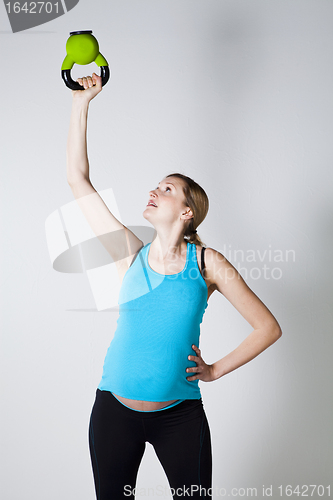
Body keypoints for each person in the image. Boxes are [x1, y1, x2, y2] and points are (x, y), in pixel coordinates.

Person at [66, 73, 282, 499]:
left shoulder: (208, 264)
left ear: (187, 211)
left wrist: (215, 369)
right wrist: (81, 103)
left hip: (179, 416)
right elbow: (78, 180)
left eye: (166, 189)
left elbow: (267, 328)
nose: (153, 190)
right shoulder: (130, 252)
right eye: (155, 185)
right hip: (113, 411)